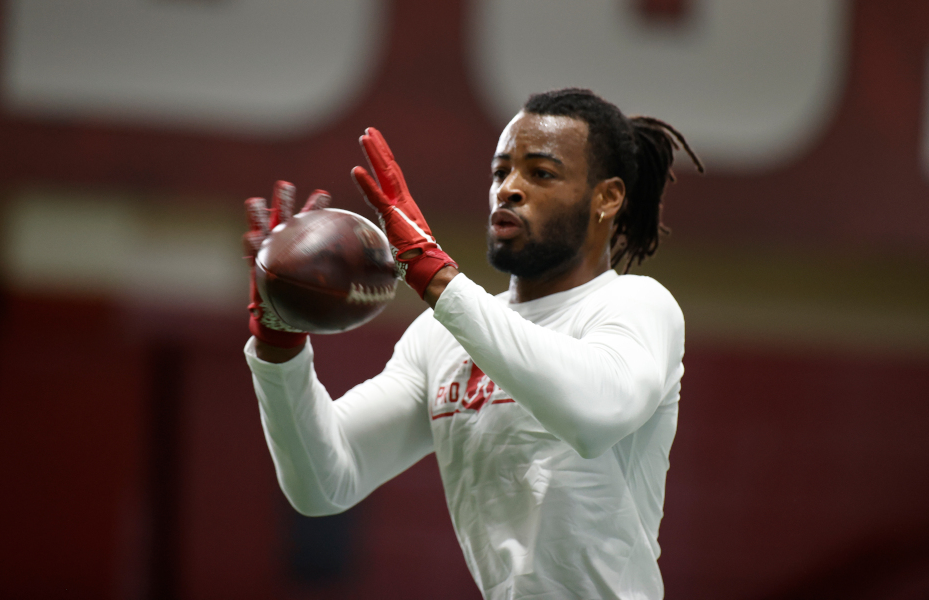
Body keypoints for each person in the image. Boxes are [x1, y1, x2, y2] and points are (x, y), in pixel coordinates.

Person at [242, 88, 703, 600]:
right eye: (500, 171)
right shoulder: (442, 334)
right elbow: (325, 482)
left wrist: (437, 278)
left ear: (607, 197)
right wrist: (279, 345)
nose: (509, 189)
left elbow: (592, 417)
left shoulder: (636, 304)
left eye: (540, 173)